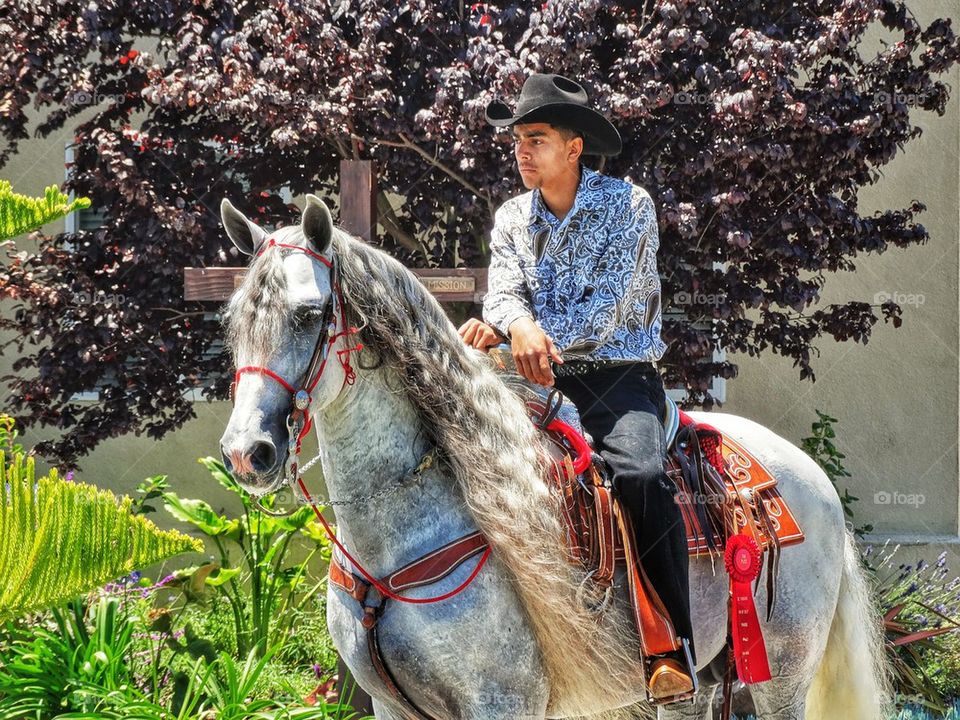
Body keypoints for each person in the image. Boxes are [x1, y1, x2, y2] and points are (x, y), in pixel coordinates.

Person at [457, 73, 695, 700]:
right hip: (531, 378)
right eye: (517, 140)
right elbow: (503, 290)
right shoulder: (512, 216)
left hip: (617, 379)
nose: (521, 151)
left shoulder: (628, 206)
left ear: (574, 147)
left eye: (536, 138)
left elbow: (608, 311)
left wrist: (517, 336)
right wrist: (514, 325)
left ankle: (671, 643)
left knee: (640, 474)